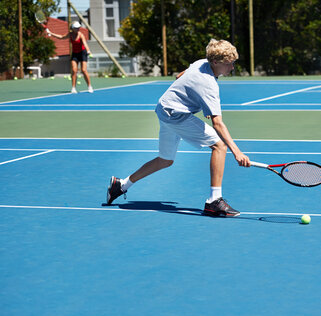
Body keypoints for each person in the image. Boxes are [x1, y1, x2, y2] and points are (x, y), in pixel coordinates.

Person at [106, 39, 250, 217]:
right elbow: (218, 123)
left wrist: (192, 95)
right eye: (228, 64)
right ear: (215, 62)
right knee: (220, 146)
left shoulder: (201, 63)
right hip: (176, 116)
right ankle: (214, 201)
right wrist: (237, 152)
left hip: (164, 110)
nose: (232, 68)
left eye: (233, 63)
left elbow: (180, 76)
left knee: (165, 160)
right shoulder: (209, 85)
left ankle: (121, 185)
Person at [47, 21, 93, 93]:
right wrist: (51, 33)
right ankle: (73, 88)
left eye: (78, 27)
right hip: (75, 54)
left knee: (83, 70)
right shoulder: (70, 34)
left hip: (82, 53)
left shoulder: (81, 35)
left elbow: (85, 43)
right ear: (72, 28)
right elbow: (61, 37)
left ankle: (89, 86)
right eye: (76, 28)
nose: (78, 29)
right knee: (74, 70)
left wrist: (88, 50)